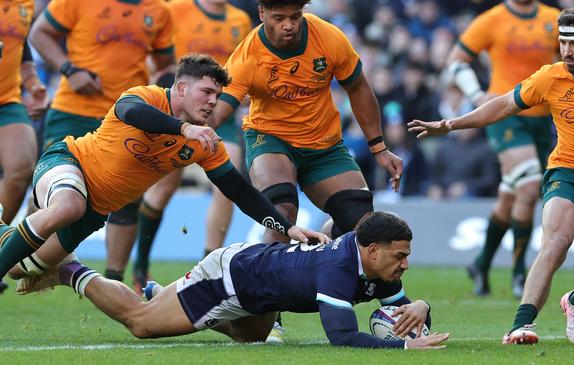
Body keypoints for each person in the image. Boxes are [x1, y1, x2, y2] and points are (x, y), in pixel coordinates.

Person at [409, 6, 574, 345]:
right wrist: (450, 124)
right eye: (562, 42)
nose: (566, 51)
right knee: (556, 241)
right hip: (568, 177)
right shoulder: (550, 76)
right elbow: (502, 105)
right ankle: (520, 325)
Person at [0, 54, 328, 294]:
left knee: (19, 268)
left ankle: (3, 228)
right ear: (181, 88)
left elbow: (239, 192)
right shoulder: (148, 97)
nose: (214, 102)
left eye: (218, 96)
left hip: (95, 210)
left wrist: (288, 227)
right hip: (68, 163)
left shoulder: (206, 142)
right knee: (67, 206)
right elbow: (131, 113)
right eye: (207, 93)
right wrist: (183, 128)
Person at [211, 0, 404, 340]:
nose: (288, 25)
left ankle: (335, 246)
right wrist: (193, 130)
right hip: (270, 139)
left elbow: (358, 87)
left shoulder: (328, 38)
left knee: (361, 224)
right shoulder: (248, 56)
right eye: (279, 18)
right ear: (261, 14)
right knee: (282, 212)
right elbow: (219, 111)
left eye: (295, 17)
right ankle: (272, 315)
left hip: (324, 146)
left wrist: (379, 147)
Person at [16, 211, 451, 350]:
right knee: (143, 324)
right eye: (400, 256)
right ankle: (68, 268)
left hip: (260, 293)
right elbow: (342, 337)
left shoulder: (374, 262)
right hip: (230, 278)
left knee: (252, 341)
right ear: (372, 252)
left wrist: (421, 307)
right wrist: (403, 344)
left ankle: (162, 294)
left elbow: (400, 301)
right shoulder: (339, 268)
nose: (405, 265)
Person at [29, 0, 177, 283]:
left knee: (128, 197)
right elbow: (39, 33)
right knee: (53, 186)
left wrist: (168, 87)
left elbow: (165, 64)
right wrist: (70, 69)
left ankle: (113, 279)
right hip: (74, 109)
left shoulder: (159, 11)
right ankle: (27, 253)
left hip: (129, 116)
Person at [124, 0, 253, 293]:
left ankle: (207, 268)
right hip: (179, 112)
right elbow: (157, 56)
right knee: (164, 189)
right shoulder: (176, 10)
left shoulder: (239, 21)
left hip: (222, 113)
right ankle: (141, 268)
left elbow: (241, 69)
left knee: (227, 183)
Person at [444, 0, 560, 298]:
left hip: (543, 119)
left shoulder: (553, 18)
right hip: (505, 117)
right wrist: (476, 94)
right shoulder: (491, 19)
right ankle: (520, 272)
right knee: (531, 184)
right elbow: (455, 61)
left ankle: (481, 264)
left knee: (511, 195)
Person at [0, 0, 48, 294]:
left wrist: (32, 83)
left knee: (21, 168)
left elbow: (22, 46)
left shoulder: (26, 4)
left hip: (7, 99)